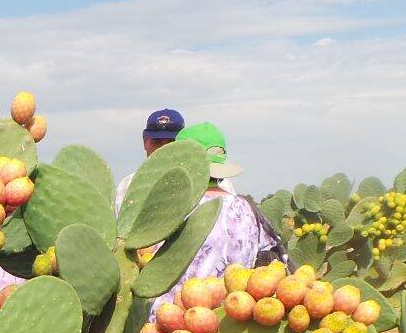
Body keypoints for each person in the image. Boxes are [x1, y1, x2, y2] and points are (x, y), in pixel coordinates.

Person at [150, 122, 283, 310]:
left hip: (174, 322)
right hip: (232, 317)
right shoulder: (246, 208)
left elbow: (149, 264)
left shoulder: (174, 210)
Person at [114, 108, 184, 209]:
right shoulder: (127, 185)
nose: (164, 148)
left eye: (172, 142)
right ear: (144, 142)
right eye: (157, 141)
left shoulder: (195, 185)